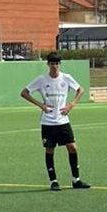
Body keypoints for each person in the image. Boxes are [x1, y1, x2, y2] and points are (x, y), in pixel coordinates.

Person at [20, 52, 91, 191]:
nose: (55, 66)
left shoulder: (66, 78)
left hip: (63, 120)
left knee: (72, 147)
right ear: (48, 64)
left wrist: (71, 105)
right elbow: (24, 93)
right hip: (48, 122)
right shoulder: (41, 79)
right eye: (52, 63)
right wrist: (41, 105)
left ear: (60, 64)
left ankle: (76, 180)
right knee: (50, 150)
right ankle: (53, 181)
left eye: (57, 63)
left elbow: (80, 90)